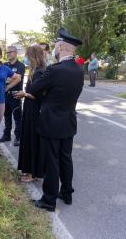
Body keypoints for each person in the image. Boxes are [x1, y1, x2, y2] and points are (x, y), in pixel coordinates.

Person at [30, 28, 84, 212]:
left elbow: (34, 89)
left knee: (51, 161)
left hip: (51, 123)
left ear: (61, 47)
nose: (53, 48)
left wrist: (45, 90)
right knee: (65, 159)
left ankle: (49, 200)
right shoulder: (78, 70)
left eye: (55, 45)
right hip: (68, 121)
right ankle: (67, 192)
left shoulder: (54, 70)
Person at [14, 45, 46, 182]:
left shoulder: (39, 72)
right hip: (30, 109)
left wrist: (24, 94)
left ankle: (32, 174)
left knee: (31, 140)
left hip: (34, 111)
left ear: (33, 57)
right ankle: (34, 172)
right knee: (31, 140)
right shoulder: (36, 71)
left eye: (27, 55)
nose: (25, 58)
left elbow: (39, 95)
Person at [0, 46, 25, 146]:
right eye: (7, 52)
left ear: (16, 53)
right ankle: (6, 135)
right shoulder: (4, 65)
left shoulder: (21, 65)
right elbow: (3, 78)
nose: (8, 54)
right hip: (5, 95)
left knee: (17, 117)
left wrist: (9, 80)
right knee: (6, 116)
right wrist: (11, 78)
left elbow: (17, 78)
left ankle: (18, 137)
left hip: (16, 95)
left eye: (10, 52)